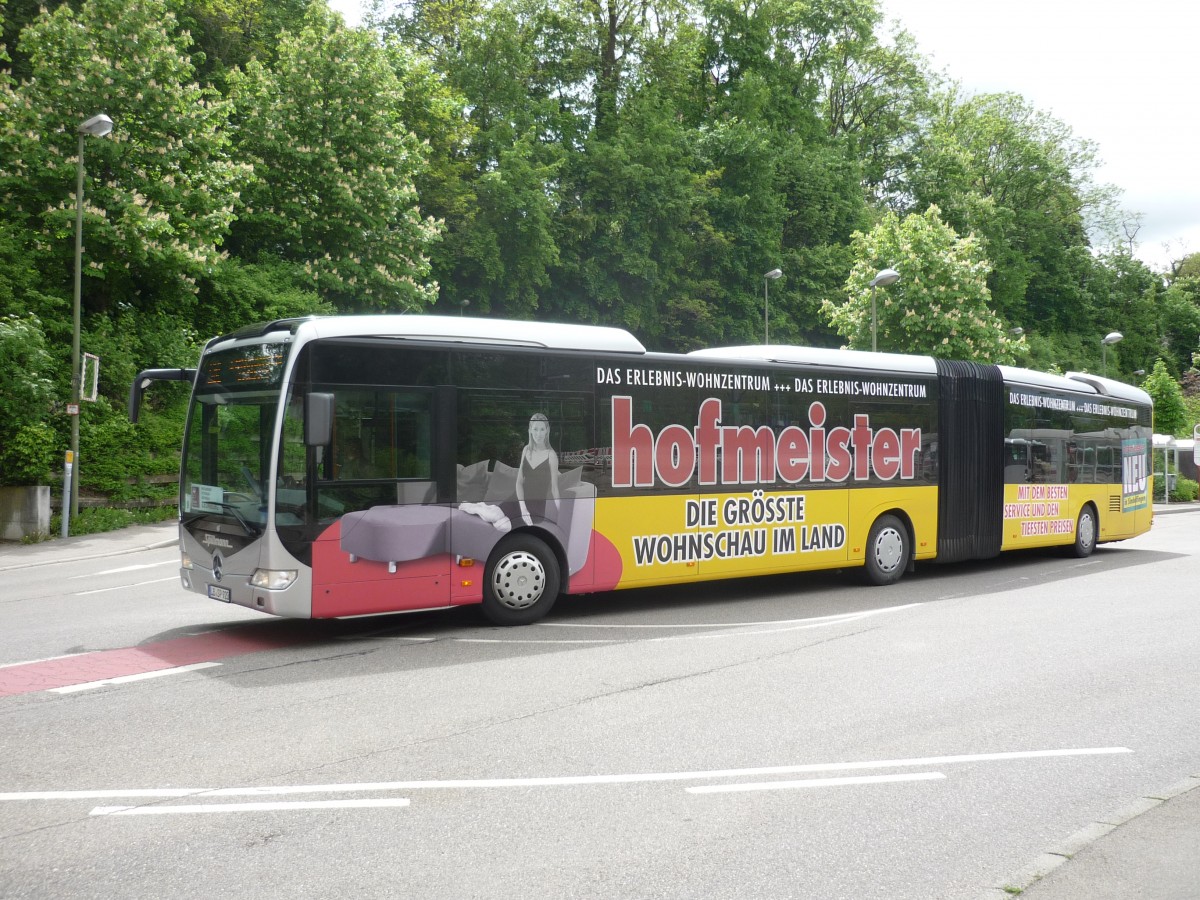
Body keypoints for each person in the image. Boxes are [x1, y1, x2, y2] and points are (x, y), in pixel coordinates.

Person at [516, 413, 559, 524]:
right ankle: (472, 507)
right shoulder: (526, 450)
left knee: (500, 522)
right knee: (496, 517)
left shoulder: (551, 455)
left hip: (536, 509)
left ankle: (474, 507)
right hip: (519, 502)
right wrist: (523, 508)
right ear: (530, 430)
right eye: (535, 429)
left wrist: (561, 512)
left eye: (542, 429)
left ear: (547, 431)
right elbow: (519, 482)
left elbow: (555, 488)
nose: (538, 434)